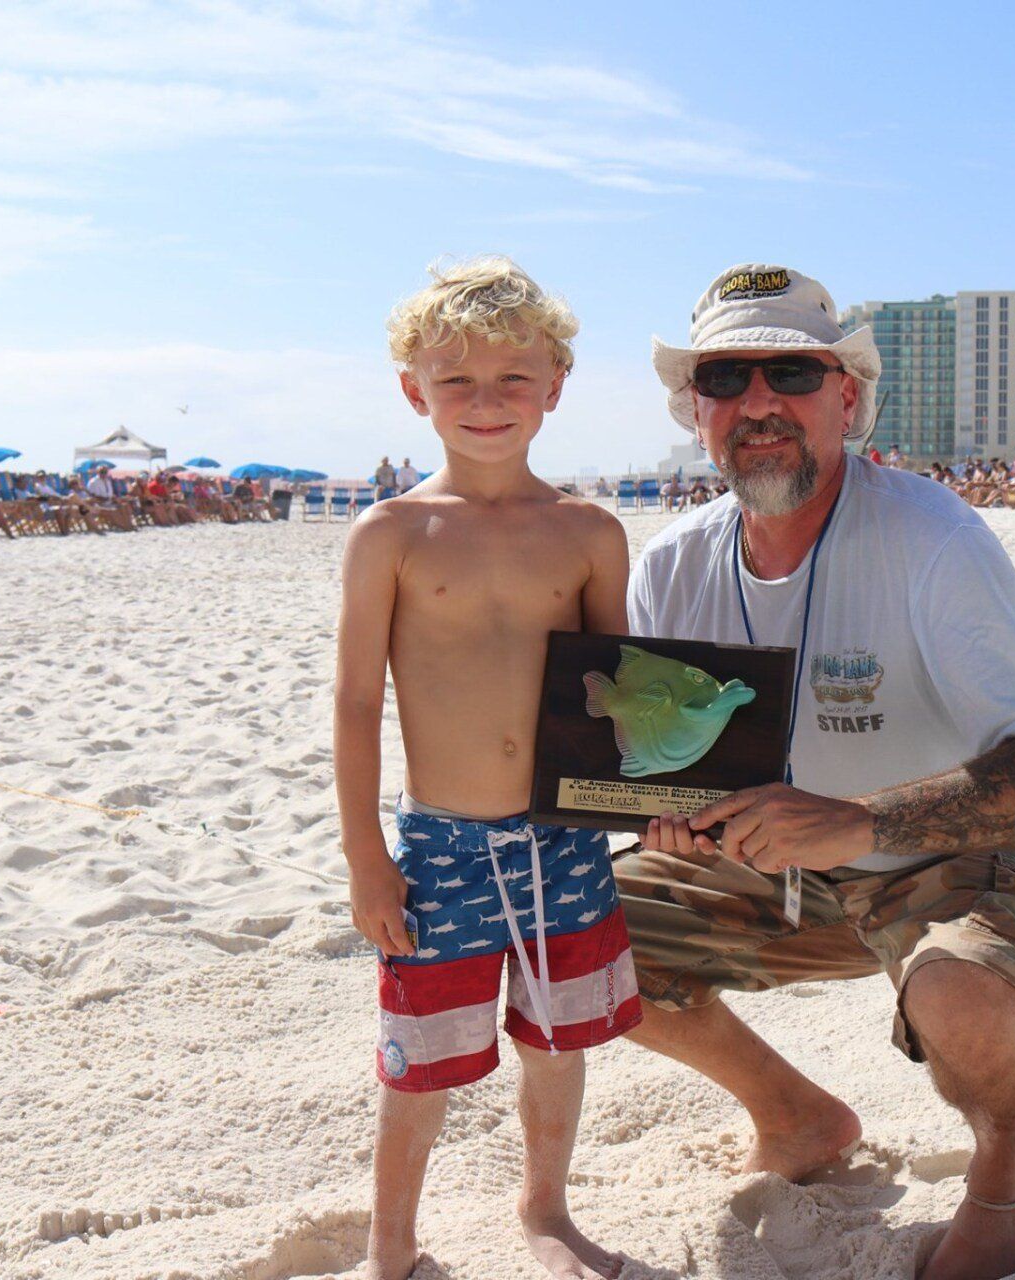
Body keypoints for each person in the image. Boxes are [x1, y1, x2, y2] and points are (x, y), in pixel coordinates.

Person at [622, 263, 1015, 1280]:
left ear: (846, 394)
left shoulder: (930, 538)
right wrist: (666, 820)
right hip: (787, 867)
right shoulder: (670, 564)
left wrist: (855, 818)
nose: (758, 403)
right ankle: (795, 1114)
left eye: (791, 371)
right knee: (565, 935)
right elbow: (667, 769)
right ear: (693, 407)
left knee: (960, 996)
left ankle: (1002, 1186)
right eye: (725, 379)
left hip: (975, 856)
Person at [337, 257, 638, 1280]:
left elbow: (619, 696)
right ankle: (392, 1246)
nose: (486, 401)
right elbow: (352, 703)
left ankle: (545, 1208)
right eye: (455, 379)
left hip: (567, 839)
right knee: (419, 1058)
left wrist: (667, 795)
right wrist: (367, 859)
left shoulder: (591, 531)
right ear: (413, 391)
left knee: (559, 1040)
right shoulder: (392, 532)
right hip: (441, 842)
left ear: (555, 385)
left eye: (514, 377)